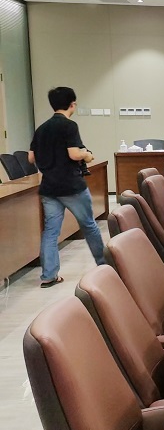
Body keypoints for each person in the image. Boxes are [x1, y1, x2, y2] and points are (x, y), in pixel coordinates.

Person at [27, 86, 105, 287]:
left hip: (49, 187)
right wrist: (87, 154)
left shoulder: (41, 129)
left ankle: (48, 275)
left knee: (51, 231)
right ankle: (105, 265)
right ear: (72, 104)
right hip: (72, 186)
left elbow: (31, 157)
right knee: (89, 225)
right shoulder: (69, 126)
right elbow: (74, 154)